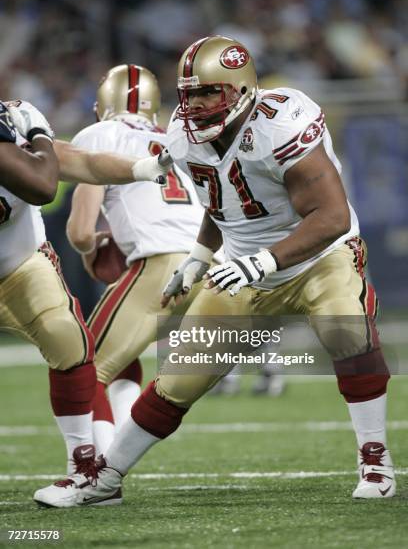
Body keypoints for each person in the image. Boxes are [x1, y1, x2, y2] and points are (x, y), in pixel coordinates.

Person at [34, 35, 394, 507]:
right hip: (240, 267)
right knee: (178, 379)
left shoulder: (282, 122)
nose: (197, 105)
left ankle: (375, 459)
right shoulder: (184, 135)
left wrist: (262, 259)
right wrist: (198, 259)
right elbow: (222, 203)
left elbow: (332, 217)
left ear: (242, 89)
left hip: (318, 255)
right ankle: (105, 479)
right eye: (189, 94)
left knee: (345, 330)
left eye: (209, 93)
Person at [0, 98, 171, 477]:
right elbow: (44, 186)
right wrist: (41, 135)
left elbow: (85, 163)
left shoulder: (12, 140)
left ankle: (83, 463)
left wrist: (142, 167)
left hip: (18, 266)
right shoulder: (29, 141)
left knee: (68, 339)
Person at [65, 64, 206, 453]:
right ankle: (117, 453)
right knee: (121, 356)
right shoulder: (175, 140)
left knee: (81, 369)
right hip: (213, 267)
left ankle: (96, 473)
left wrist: (93, 249)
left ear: (101, 107)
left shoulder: (99, 134)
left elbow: (79, 231)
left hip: (162, 266)